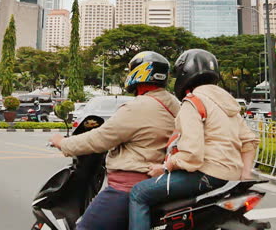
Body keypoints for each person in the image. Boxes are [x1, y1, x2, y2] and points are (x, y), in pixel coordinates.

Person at [128, 49, 260, 230]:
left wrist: (166, 166)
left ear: (185, 73)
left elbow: (192, 155)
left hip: (207, 175)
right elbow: (249, 141)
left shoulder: (194, 102)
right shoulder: (228, 103)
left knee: (138, 193)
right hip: (231, 178)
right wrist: (245, 174)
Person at [48, 51, 180, 230]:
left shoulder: (139, 106)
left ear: (139, 73)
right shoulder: (174, 104)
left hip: (126, 188)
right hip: (159, 184)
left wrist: (63, 143)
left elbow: (101, 138)